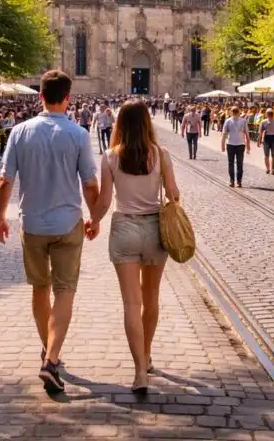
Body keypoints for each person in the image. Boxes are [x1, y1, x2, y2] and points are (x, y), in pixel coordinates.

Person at [0, 70, 98, 396]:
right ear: (68, 98)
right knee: (64, 291)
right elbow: (90, 183)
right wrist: (95, 217)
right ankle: (51, 359)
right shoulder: (79, 134)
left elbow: (5, 179)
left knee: (40, 289)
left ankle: (48, 351)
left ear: (40, 96)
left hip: (33, 224)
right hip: (68, 223)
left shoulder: (19, 131)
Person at [88, 100, 180, 395]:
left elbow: (104, 201)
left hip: (124, 229)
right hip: (155, 230)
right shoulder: (161, 154)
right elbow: (174, 194)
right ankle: (147, 354)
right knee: (151, 299)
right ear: (147, 123)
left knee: (131, 303)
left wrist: (93, 222)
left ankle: (140, 371)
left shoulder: (110, 156)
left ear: (120, 125)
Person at [220, 106, 250, 188]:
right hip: (239, 144)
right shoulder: (243, 121)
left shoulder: (228, 121)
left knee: (231, 163)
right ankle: (238, 181)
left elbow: (224, 134)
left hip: (231, 144)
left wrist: (222, 145)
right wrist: (248, 146)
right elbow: (247, 134)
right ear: (239, 112)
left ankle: (232, 181)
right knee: (239, 163)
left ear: (231, 112)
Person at [259, 109, 274, 175]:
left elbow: (260, 132)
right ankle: (271, 169)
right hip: (270, 138)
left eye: (270, 113)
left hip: (270, 139)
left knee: (268, 155)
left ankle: (270, 169)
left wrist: (259, 140)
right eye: (270, 113)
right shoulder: (267, 122)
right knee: (271, 155)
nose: (270, 115)